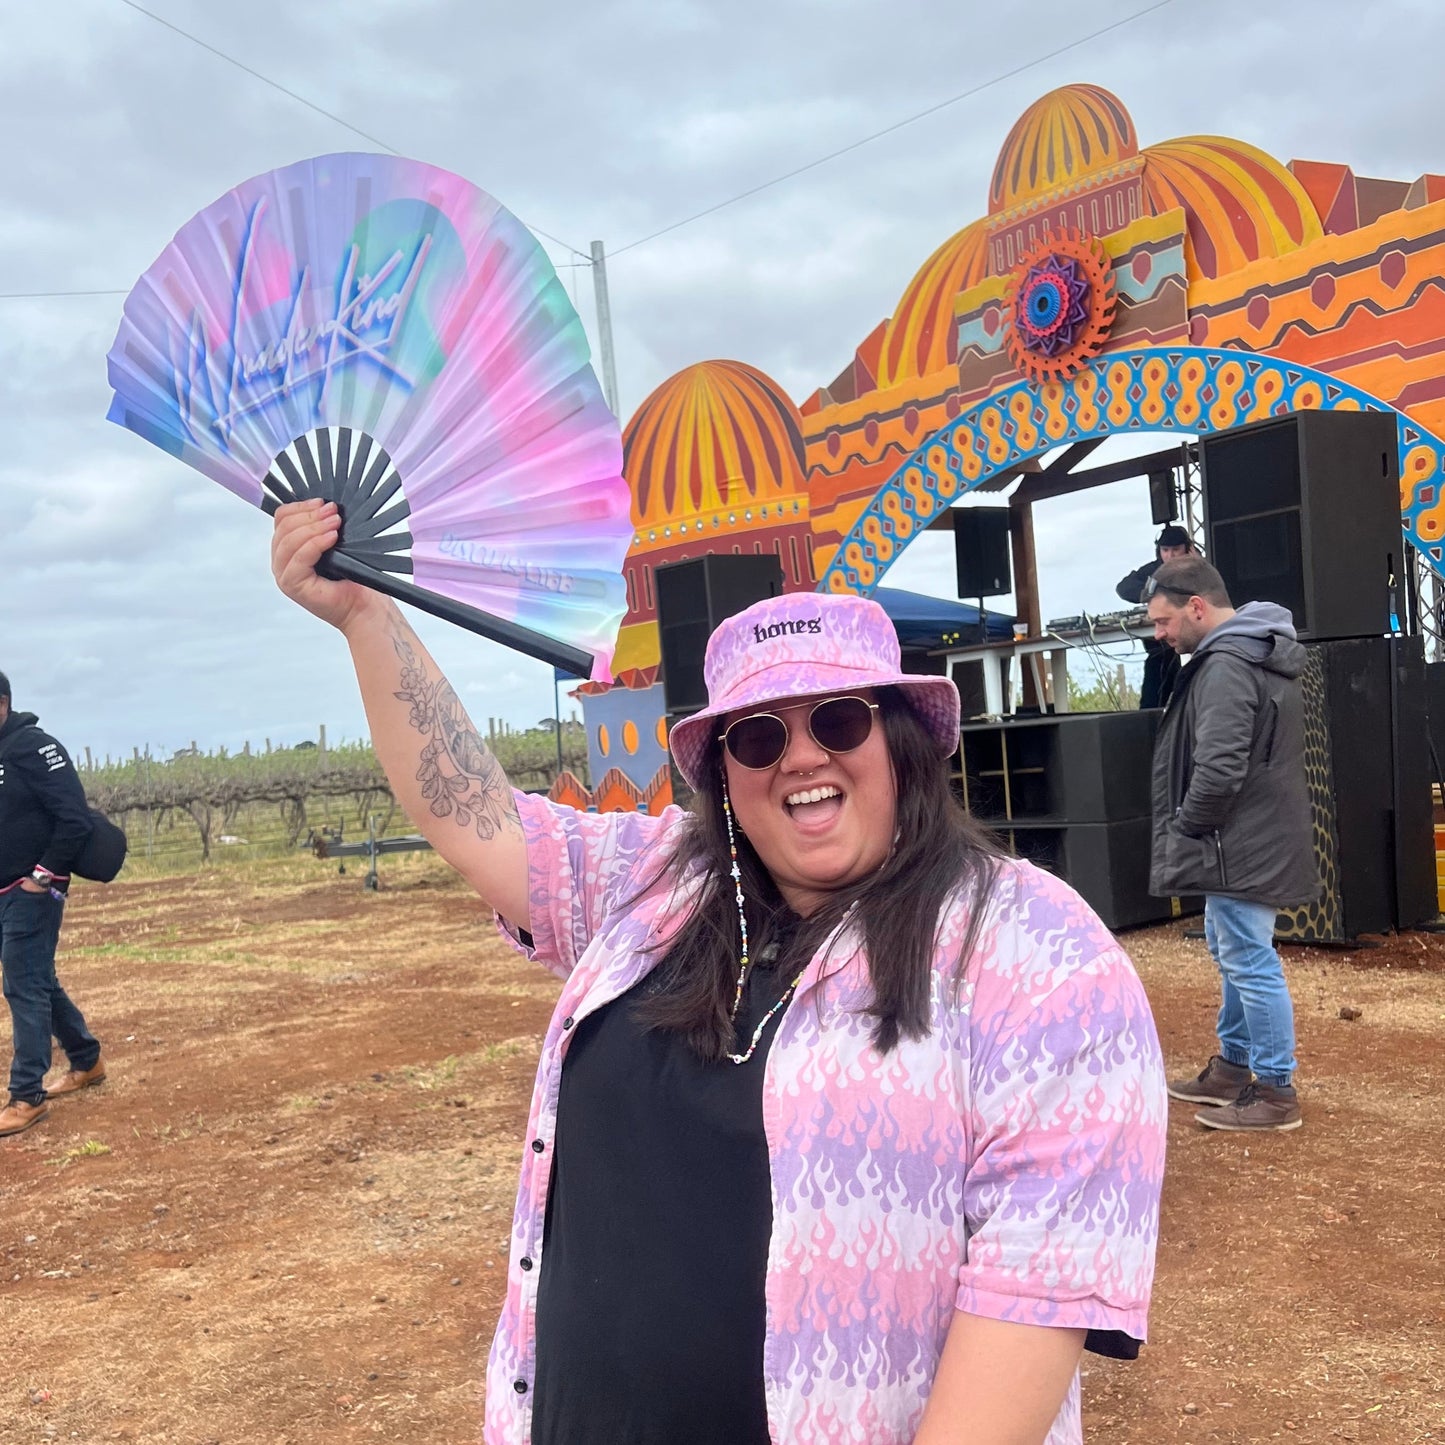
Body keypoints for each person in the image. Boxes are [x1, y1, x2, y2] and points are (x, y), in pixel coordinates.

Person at [272, 497, 1168, 1445]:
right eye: (757, 735)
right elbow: (476, 816)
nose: (801, 755)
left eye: (837, 718)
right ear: (725, 773)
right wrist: (368, 617)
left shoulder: (1035, 952)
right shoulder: (655, 882)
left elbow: (1030, 1296)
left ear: (903, 737)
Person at [1144, 557, 1316, 1133]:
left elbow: (1219, 769)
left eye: (1164, 621)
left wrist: (1187, 824)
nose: (1159, 634)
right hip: (1250, 836)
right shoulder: (1253, 650)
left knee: (1247, 957)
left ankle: (1275, 1090)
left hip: (1239, 841)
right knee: (1234, 949)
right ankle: (1235, 1068)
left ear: (1197, 607)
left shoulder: (1225, 664)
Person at [0, 671, 106, 1139]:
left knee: (22, 985)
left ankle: (27, 1096)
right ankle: (87, 1061)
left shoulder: (34, 746)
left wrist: (41, 878)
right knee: (39, 980)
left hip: (33, 891)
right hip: (4, 891)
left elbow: (75, 818)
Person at [1116, 524, 1199, 709]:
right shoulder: (1153, 570)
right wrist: (1154, 594)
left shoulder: (1198, 568)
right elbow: (1123, 587)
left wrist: (1197, 566)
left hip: (1191, 636)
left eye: (1176, 550)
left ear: (1187, 549)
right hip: (1161, 642)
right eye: (1165, 550)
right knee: (1157, 667)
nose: (1170, 555)